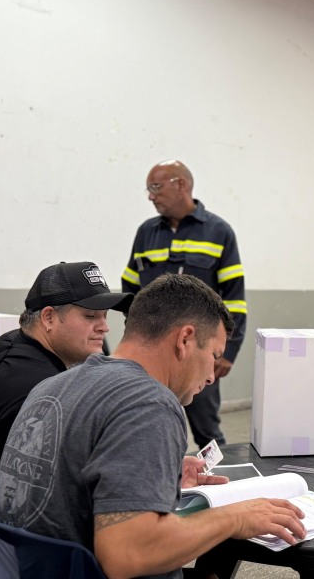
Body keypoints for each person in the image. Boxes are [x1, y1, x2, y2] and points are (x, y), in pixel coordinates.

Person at [0, 274, 305, 579]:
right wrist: (235, 517)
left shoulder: (53, 384)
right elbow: (128, 555)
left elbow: (69, 477)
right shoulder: (149, 403)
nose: (211, 376)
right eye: (213, 355)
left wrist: (154, 471)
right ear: (185, 339)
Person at [0, 261, 133, 517]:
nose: (104, 327)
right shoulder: (42, 389)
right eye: (90, 316)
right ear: (48, 317)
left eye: (104, 315)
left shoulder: (8, 346)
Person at [121, 160, 246, 448]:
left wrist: (227, 352)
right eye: (148, 189)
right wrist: (136, 335)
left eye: (155, 187)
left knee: (208, 432)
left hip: (199, 351)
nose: (151, 196)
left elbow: (235, 299)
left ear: (181, 184)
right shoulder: (146, 232)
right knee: (146, 422)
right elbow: (130, 285)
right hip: (152, 353)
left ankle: (214, 475)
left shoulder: (219, 232)